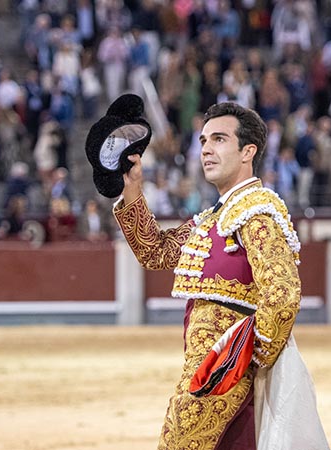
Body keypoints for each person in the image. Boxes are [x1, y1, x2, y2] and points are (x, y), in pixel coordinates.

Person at [113, 102, 303, 449]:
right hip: (209, 368)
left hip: (220, 373)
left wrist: (243, 359)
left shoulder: (257, 213)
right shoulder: (211, 221)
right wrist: (133, 188)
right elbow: (155, 251)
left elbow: (283, 295)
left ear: (249, 151)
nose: (205, 149)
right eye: (203, 141)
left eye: (219, 139)